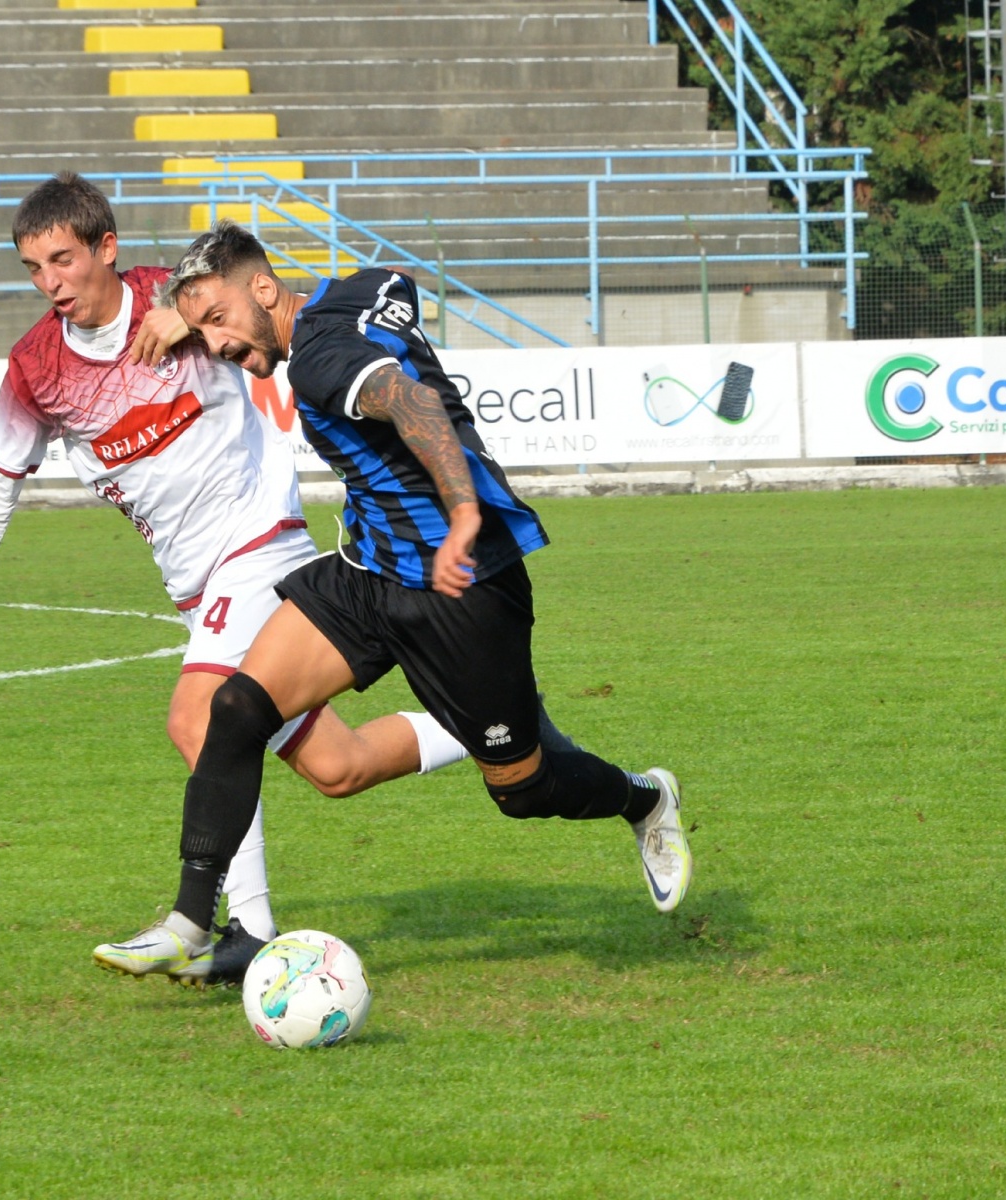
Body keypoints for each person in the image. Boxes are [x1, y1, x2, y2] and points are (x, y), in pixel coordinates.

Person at [0, 174, 493, 986]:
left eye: (63, 259)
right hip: (193, 582)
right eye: (33, 268)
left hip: (259, 539)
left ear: (105, 249)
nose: (50, 282)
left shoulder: (185, 300)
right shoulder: (37, 367)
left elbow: (264, 301)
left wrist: (178, 313)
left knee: (197, 718)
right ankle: (491, 724)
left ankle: (242, 930)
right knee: (339, 767)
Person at [92, 220, 692, 980]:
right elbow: (392, 284)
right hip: (369, 572)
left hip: (461, 589)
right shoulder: (352, 296)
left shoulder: (316, 362)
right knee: (237, 709)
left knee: (522, 787)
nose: (215, 347)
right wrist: (197, 306)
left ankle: (642, 800)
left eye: (220, 322)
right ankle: (192, 921)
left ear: (267, 292)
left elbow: (407, 400)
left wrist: (464, 510)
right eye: (204, 328)